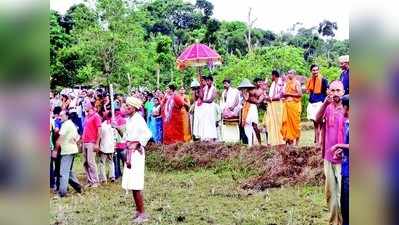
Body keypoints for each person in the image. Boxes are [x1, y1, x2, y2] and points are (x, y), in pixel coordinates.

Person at [115, 96, 152, 223]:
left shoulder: (138, 119)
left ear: (134, 108)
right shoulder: (130, 119)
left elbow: (147, 134)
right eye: (125, 106)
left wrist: (138, 144)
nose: (126, 108)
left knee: (136, 183)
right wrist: (117, 128)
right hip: (129, 152)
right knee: (131, 183)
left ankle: (142, 213)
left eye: (128, 106)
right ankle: (138, 210)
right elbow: (125, 136)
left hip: (136, 153)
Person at [315, 80, 346, 225]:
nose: (335, 94)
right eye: (332, 90)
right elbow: (317, 119)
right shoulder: (327, 107)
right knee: (331, 193)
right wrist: (325, 104)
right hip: (328, 157)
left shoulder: (348, 108)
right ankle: (334, 222)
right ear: (328, 92)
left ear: (343, 91)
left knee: (343, 194)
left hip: (344, 160)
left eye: (338, 90)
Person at [332, 94, 349, 225]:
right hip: (346, 169)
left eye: (342, 108)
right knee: (345, 208)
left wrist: (339, 145)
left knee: (348, 208)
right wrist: (342, 150)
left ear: (346, 108)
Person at [56, 110, 82, 197]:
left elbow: (60, 139)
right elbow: (77, 137)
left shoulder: (65, 125)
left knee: (63, 172)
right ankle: (77, 186)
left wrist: (55, 150)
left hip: (67, 151)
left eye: (62, 115)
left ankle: (62, 192)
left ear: (67, 116)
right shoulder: (71, 124)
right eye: (59, 115)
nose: (60, 117)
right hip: (72, 149)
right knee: (68, 171)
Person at [306, 64, 329, 145]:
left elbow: (327, 93)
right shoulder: (309, 80)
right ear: (311, 71)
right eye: (313, 70)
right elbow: (308, 91)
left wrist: (325, 103)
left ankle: (320, 141)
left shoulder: (323, 80)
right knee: (315, 124)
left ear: (318, 70)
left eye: (316, 70)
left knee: (321, 123)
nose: (315, 71)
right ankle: (316, 141)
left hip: (320, 103)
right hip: (312, 103)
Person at [81, 102, 102, 188]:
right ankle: (89, 180)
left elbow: (99, 131)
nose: (85, 106)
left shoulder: (96, 116)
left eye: (86, 105)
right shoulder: (86, 117)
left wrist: (97, 143)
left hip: (91, 142)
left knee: (91, 161)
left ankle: (95, 181)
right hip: (85, 141)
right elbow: (85, 129)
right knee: (85, 162)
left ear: (91, 107)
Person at [281, 70, 303, 146]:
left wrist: (288, 94)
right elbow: (284, 94)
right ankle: (289, 141)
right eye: (288, 73)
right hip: (287, 105)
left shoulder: (296, 83)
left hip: (294, 106)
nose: (288, 75)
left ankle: (296, 143)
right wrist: (284, 95)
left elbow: (300, 94)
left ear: (294, 74)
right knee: (286, 123)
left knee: (295, 124)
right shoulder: (286, 83)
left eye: (290, 73)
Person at [264, 70, 285, 146]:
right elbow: (269, 95)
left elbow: (281, 94)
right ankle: (273, 141)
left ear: (274, 75)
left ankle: (280, 140)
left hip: (278, 105)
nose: (271, 77)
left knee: (279, 122)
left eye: (271, 76)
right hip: (272, 105)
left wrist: (271, 98)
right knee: (271, 122)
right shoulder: (273, 84)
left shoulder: (281, 83)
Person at [238, 79, 260, 146]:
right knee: (246, 125)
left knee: (254, 125)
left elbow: (249, 99)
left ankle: (258, 142)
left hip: (251, 108)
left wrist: (245, 93)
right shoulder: (242, 94)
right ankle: (250, 143)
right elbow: (242, 102)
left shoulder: (252, 92)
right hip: (245, 108)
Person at [199, 76, 218, 141]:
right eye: (207, 81)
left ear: (212, 81)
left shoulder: (214, 89)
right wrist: (200, 88)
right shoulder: (205, 88)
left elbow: (211, 100)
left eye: (209, 81)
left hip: (211, 107)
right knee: (204, 121)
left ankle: (211, 136)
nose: (207, 82)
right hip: (204, 107)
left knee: (211, 121)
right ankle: (205, 136)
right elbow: (201, 96)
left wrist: (203, 101)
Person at [98, 112, 116, 183]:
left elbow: (100, 136)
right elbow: (115, 137)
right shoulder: (113, 126)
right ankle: (112, 176)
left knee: (102, 162)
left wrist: (99, 145)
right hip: (111, 146)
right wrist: (114, 145)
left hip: (104, 146)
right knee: (111, 162)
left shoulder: (102, 126)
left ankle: (103, 178)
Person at [113, 108, 126, 180]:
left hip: (118, 143)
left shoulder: (115, 120)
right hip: (122, 143)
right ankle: (122, 173)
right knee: (124, 160)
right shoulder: (123, 120)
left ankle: (117, 173)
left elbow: (123, 132)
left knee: (117, 160)